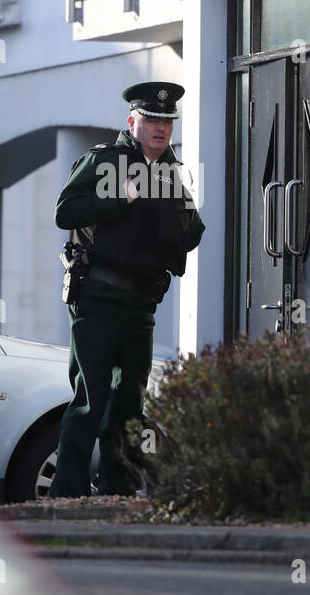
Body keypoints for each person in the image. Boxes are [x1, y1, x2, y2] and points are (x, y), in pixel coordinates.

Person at [47, 81, 205, 498]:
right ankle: (67, 494)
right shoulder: (105, 162)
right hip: (97, 298)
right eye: (152, 120)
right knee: (89, 400)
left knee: (129, 406)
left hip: (141, 305)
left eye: (167, 122)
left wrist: (177, 214)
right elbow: (66, 212)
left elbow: (194, 233)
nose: (160, 129)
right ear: (132, 121)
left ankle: (115, 489)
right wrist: (121, 197)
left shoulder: (173, 172)